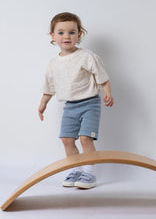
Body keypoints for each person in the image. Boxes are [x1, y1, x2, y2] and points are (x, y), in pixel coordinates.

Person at [38, 12, 114, 189]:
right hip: (69, 107)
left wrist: (108, 92)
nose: (67, 36)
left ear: (79, 35)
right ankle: (75, 169)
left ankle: (89, 173)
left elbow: (102, 76)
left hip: (89, 103)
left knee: (85, 138)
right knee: (66, 140)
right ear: (53, 36)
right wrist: (42, 104)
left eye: (72, 32)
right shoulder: (53, 63)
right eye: (61, 32)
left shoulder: (87, 56)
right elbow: (49, 88)